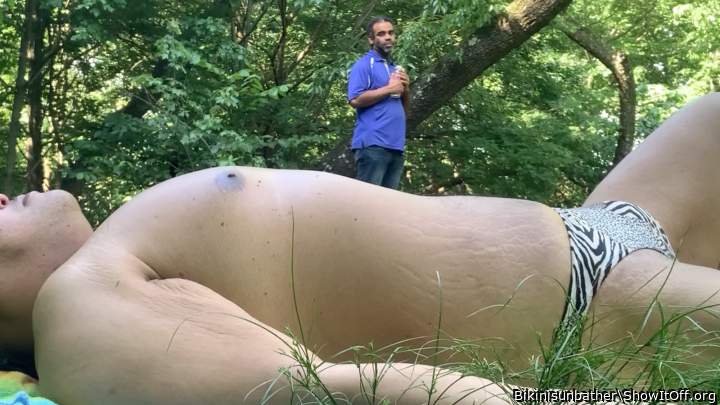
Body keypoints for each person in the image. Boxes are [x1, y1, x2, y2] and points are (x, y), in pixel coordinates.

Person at [1, 94, 720, 404]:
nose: (3, 195)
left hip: (598, 227)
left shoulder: (99, 273)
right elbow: (339, 393)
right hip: (598, 312)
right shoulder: (77, 318)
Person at [347, 16, 411, 189]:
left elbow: (403, 111)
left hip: (396, 147)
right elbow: (355, 99)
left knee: (388, 209)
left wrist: (406, 88)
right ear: (371, 39)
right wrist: (389, 89)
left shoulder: (394, 68)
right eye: (381, 34)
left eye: (391, 33)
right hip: (373, 146)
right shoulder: (363, 65)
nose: (388, 37)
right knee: (369, 207)